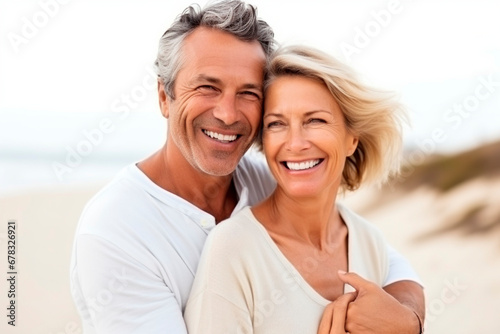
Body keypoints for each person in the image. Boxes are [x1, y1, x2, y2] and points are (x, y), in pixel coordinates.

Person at [70, 1, 424, 333]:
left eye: (249, 93)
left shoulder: (268, 180)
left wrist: (407, 321)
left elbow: (381, 259)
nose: (227, 113)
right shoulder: (114, 231)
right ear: (165, 96)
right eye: (208, 87)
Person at [184, 44, 425, 334]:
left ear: (352, 139)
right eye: (277, 124)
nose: (295, 143)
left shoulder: (368, 240)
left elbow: (409, 297)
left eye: (315, 120)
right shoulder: (233, 249)